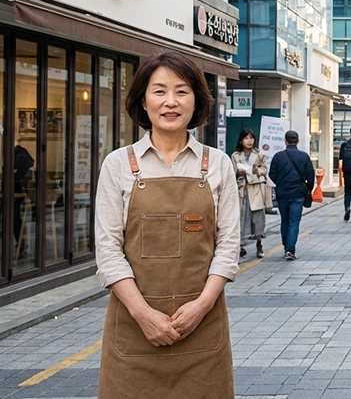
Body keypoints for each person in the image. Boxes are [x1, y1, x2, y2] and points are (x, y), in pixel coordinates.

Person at [95, 51, 239, 398]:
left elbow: (229, 246)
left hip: (203, 331)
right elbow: (108, 251)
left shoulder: (217, 164)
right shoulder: (118, 165)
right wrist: (144, 315)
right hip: (133, 331)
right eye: (159, 91)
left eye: (182, 91)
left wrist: (201, 306)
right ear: (143, 101)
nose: (170, 102)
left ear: (197, 102)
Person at [268, 130, 314, 261]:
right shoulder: (304, 156)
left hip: (282, 193)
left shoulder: (278, 156)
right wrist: (308, 189)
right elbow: (310, 175)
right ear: (298, 141)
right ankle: (290, 250)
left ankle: (286, 247)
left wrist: (280, 183)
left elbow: (272, 174)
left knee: (285, 220)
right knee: (294, 222)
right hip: (298, 193)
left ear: (285, 141)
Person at [232, 128, 268, 259]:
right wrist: (238, 172)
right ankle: (240, 245)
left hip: (255, 189)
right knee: (241, 216)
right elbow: (232, 172)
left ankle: (259, 243)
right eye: (246, 138)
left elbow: (264, 169)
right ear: (241, 141)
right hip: (241, 189)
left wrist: (256, 170)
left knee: (257, 217)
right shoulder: (236, 155)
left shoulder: (259, 155)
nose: (249, 141)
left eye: (251, 138)